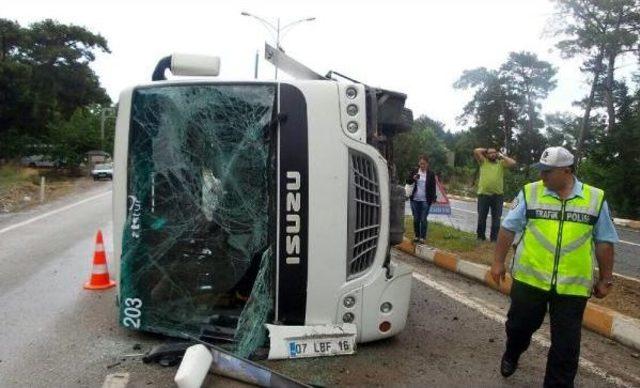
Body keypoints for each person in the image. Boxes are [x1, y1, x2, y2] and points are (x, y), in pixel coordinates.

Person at [490, 146, 618, 387]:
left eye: (548, 171)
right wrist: (497, 263)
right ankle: (513, 352)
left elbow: (604, 242)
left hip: (572, 287)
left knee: (566, 346)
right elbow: (508, 228)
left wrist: (606, 278)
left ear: (567, 171)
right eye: (541, 170)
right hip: (530, 280)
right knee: (519, 327)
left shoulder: (595, 198)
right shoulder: (531, 193)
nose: (542, 176)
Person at [473, 147, 516, 241]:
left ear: (497, 154)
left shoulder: (501, 164)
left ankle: (494, 239)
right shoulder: (483, 162)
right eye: (490, 153)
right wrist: (486, 150)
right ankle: (480, 237)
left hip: (497, 196)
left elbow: (513, 163)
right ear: (487, 155)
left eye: (494, 153)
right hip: (483, 195)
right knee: (481, 218)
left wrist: (502, 155)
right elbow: (476, 151)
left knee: (496, 219)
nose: (492, 154)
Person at [406, 154, 436, 243]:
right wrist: (413, 178)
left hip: (425, 200)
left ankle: (422, 237)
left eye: (424, 164)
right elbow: (407, 181)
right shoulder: (415, 171)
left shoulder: (431, 173)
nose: (422, 165)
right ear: (419, 163)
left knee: (423, 219)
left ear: (427, 164)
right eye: (421, 163)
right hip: (415, 199)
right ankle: (416, 236)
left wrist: (433, 198)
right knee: (416, 219)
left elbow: (433, 187)